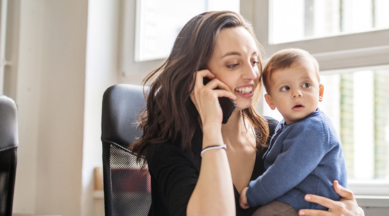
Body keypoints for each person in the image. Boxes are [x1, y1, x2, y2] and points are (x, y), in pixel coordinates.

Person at [129, 11, 364, 216]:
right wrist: (212, 128)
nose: (252, 74)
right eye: (233, 64)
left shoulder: (275, 134)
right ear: (197, 76)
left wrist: (352, 211)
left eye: (254, 61)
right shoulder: (169, 147)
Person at [238, 48, 347, 216]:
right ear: (270, 101)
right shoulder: (287, 126)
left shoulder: (314, 129)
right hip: (297, 199)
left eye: (306, 85)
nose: (297, 93)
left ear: (320, 92)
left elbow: (283, 173)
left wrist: (252, 194)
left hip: (310, 205)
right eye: (285, 88)